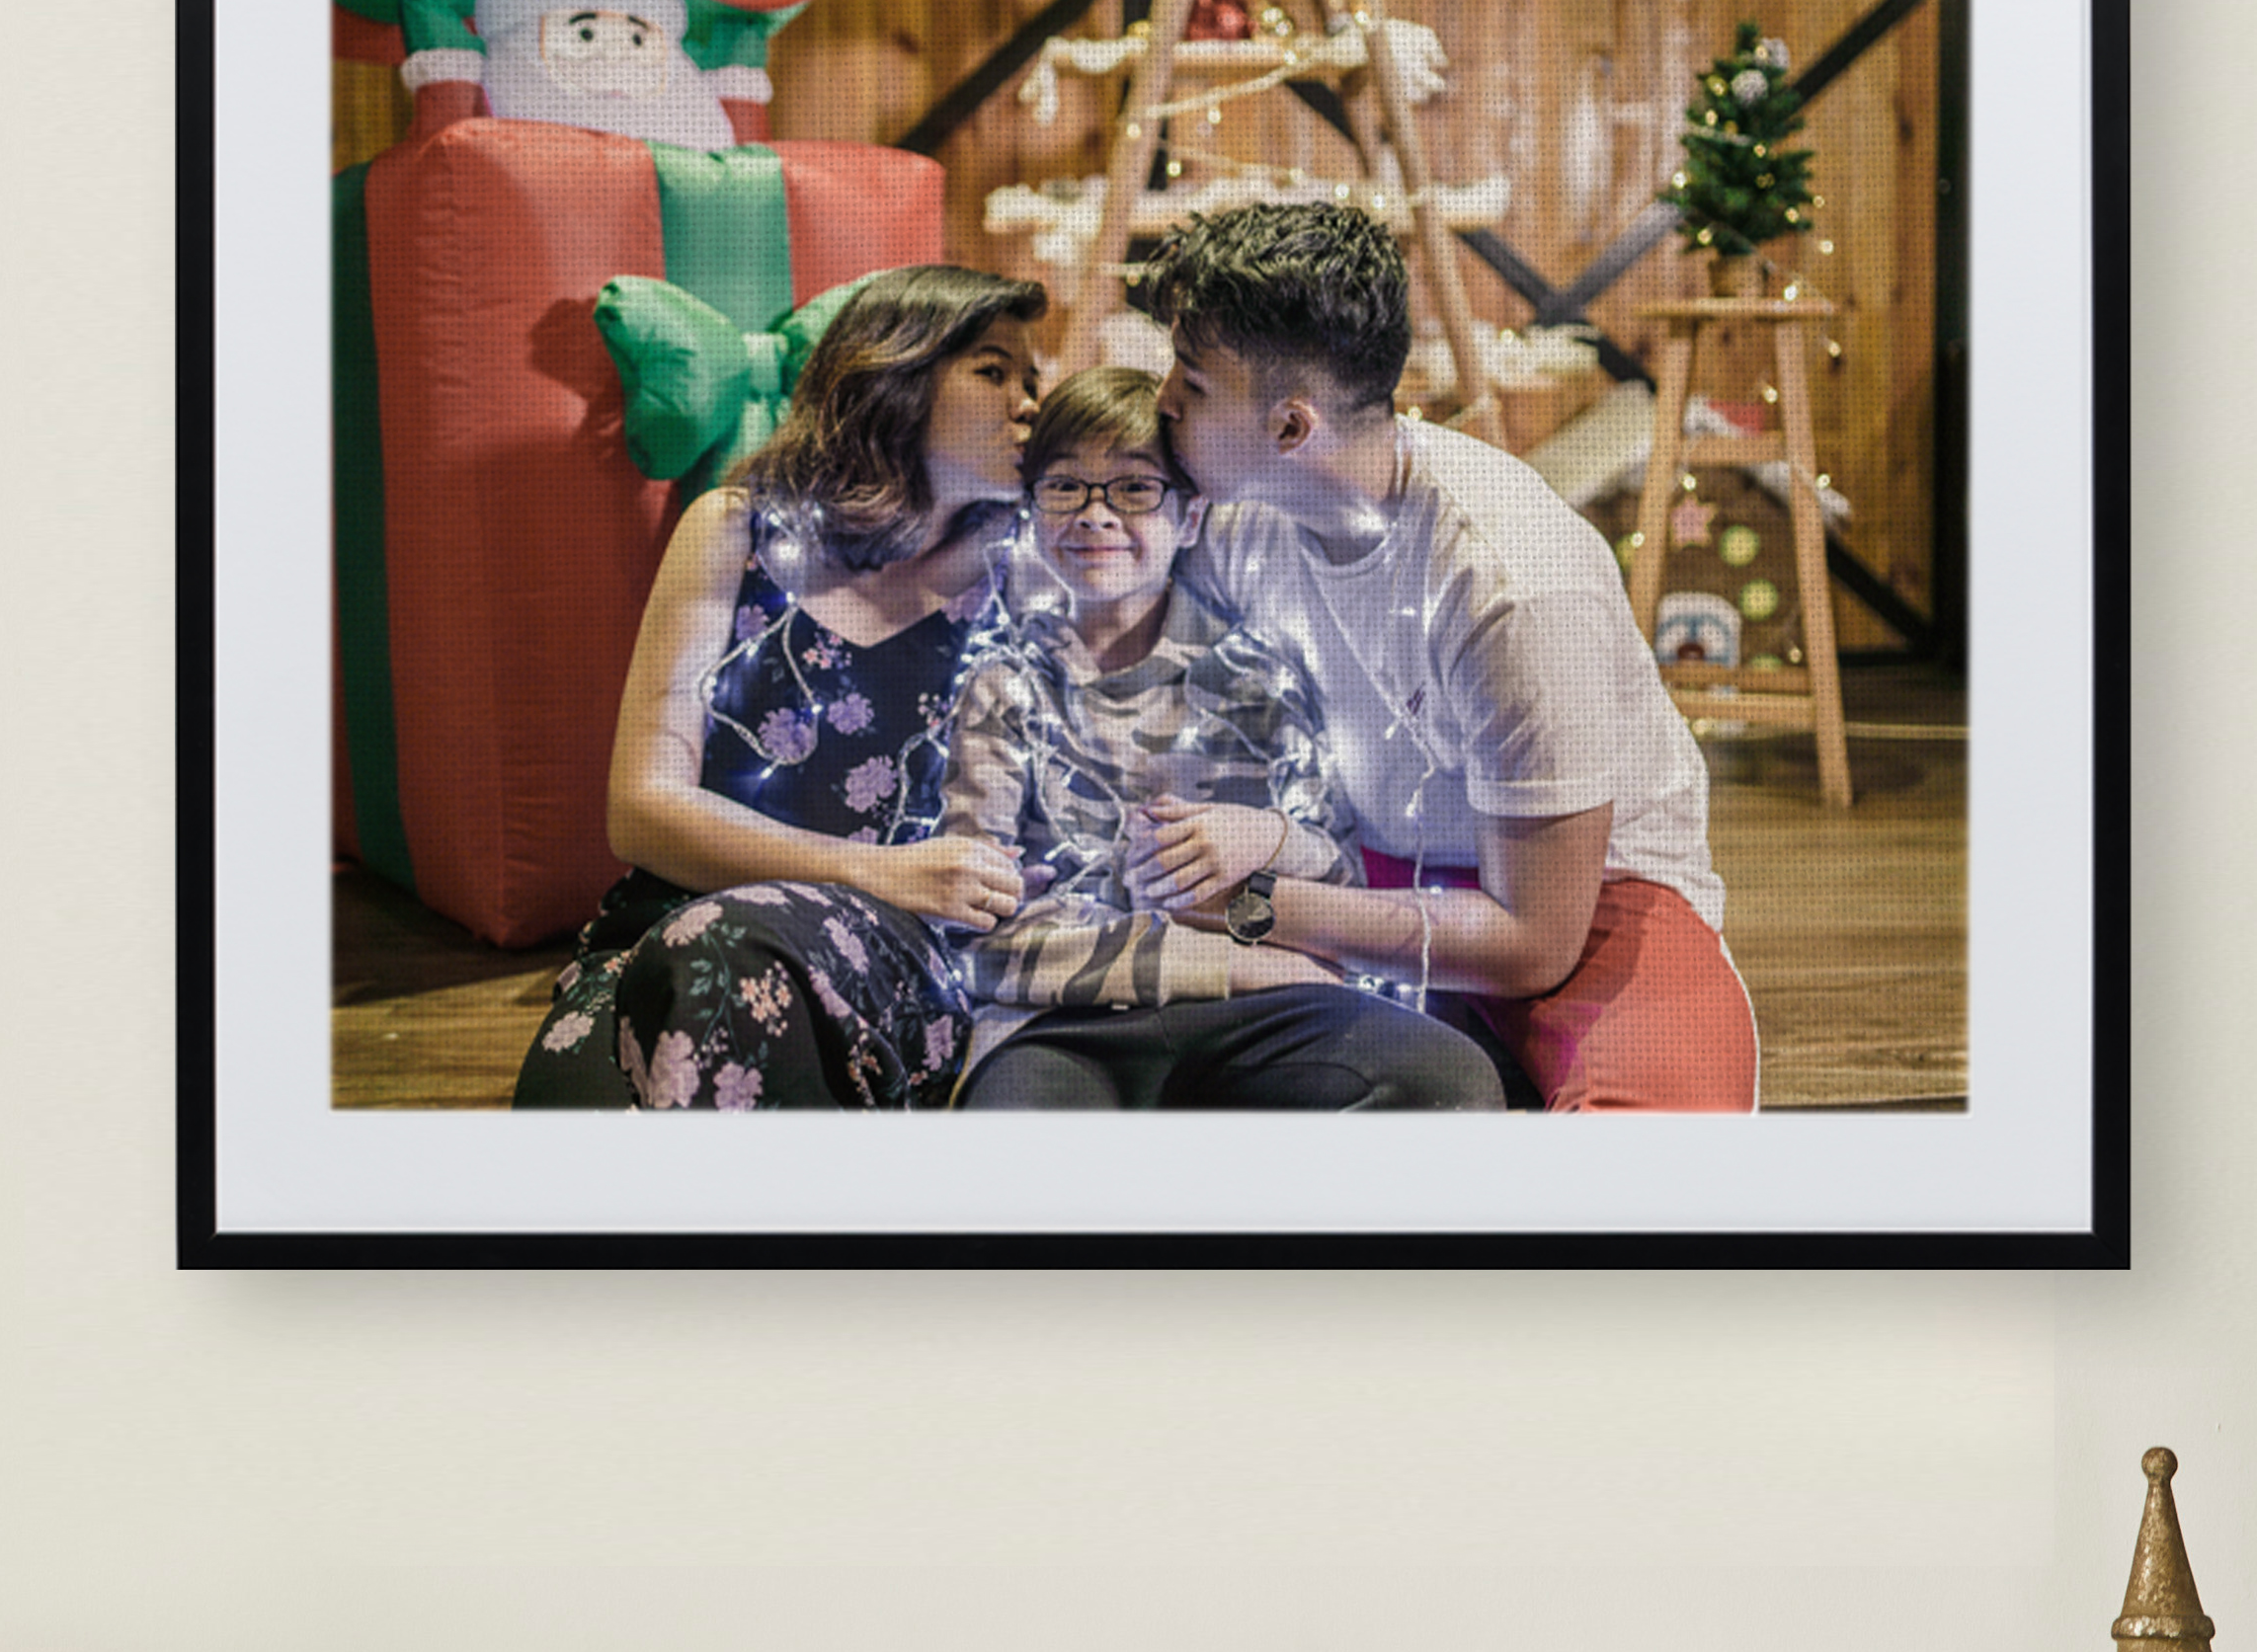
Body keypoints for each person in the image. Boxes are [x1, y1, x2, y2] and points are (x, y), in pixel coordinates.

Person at [1131, 200, 1759, 1111]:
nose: (1163, 402)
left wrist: (1250, 904)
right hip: (1363, 858)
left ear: (1292, 429)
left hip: (1588, 894)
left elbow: (1537, 943)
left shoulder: (1510, 585)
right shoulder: (1235, 508)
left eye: (1190, 382)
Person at [509, 266, 1041, 1110]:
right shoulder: (734, 530)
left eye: (1033, 379)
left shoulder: (1026, 569)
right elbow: (641, 809)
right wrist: (877, 867)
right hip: (665, 930)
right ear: (892, 372)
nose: (1029, 403)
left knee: (719, 979)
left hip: (890, 956)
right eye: (994, 371)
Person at [918, 371, 1501, 1112]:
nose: (1096, 515)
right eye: (1066, 487)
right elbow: (977, 933)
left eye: (1134, 488)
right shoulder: (1005, 687)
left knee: (1446, 1079)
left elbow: (1342, 878)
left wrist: (1266, 838)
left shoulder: (1255, 680)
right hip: (1063, 1024)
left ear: (1191, 518)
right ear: (1032, 512)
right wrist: (1228, 964)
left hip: (1259, 1015)